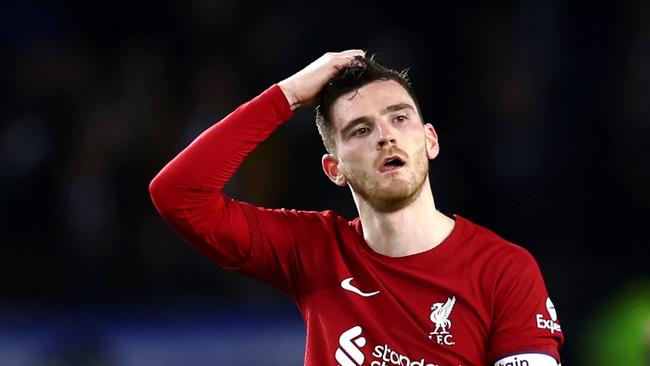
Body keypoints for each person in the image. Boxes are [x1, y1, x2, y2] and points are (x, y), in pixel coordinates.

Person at [149, 50, 564, 366]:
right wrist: (288, 94)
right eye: (361, 130)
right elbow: (178, 195)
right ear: (335, 169)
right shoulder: (313, 250)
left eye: (399, 119)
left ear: (431, 141)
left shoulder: (505, 270)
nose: (385, 136)